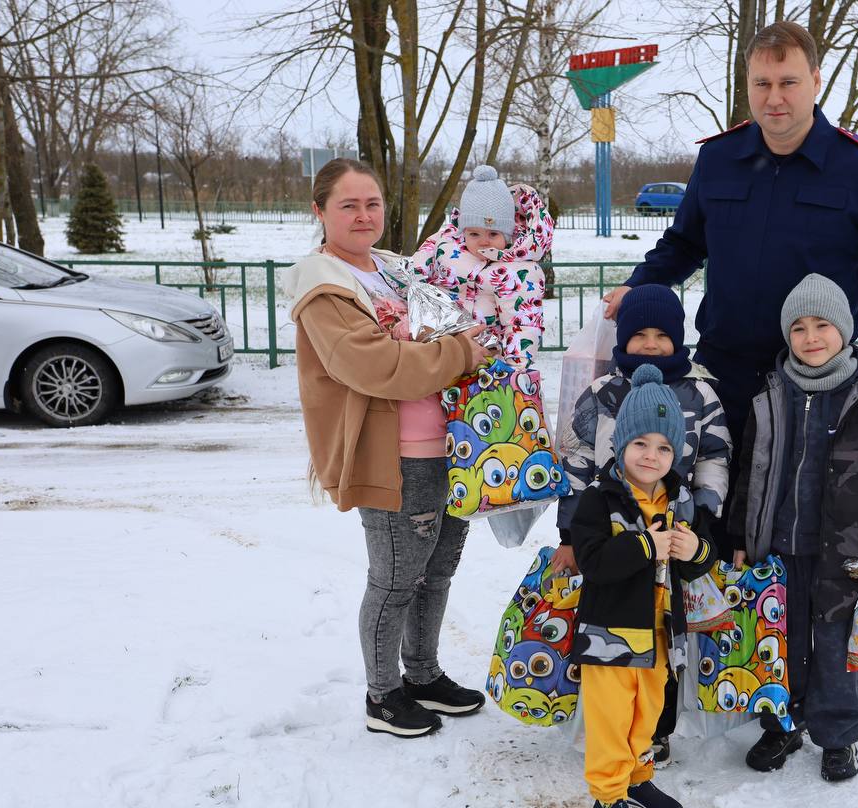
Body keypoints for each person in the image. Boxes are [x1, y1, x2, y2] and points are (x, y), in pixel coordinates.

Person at [602, 21, 858, 526]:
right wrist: (638, 284)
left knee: (802, 537)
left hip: (815, 387)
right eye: (762, 84)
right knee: (709, 527)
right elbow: (684, 243)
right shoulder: (719, 159)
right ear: (748, 86)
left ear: (816, 81)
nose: (774, 98)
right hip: (722, 380)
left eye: (788, 82)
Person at [288, 158, 491, 740]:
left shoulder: (397, 269)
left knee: (438, 571)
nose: (363, 214)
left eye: (372, 203)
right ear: (320, 211)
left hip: (451, 445)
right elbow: (372, 366)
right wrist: (459, 356)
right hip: (391, 453)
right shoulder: (323, 284)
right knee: (397, 575)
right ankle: (383, 695)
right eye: (348, 205)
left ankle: (423, 675)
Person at [727, 273, 858, 781]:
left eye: (822, 325)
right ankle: (783, 722)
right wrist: (741, 539)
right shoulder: (770, 394)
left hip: (843, 554)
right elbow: (749, 471)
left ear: (845, 331)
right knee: (779, 643)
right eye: (799, 327)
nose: (810, 338)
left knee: (836, 647)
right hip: (776, 549)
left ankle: (837, 734)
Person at [551, 284, 731, 766]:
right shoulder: (602, 392)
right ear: (623, 338)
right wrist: (570, 535)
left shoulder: (700, 392)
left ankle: (658, 727)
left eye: (661, 335)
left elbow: (715, 454)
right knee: (609, 624)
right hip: (610, 534)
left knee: (667, 633)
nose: (650, 343)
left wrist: (704, 513)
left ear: (677, 338)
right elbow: (576, 462)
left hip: (676, 531)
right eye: (639, 335)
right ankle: (608, 726)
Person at [569, 364, 721, 808]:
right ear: (622, 446)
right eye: (641, 444)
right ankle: (607, 796)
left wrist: (692, 550)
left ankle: (637, 776)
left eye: (664, 447)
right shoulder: (599, 499)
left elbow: (700, 563)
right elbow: (593, 562)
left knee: (648, 711)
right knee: (611, 716)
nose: (651, 456)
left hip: (660, 632)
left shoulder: (678, 499)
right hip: (610, 634)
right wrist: (644, 547)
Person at [411, 164, 552, 366]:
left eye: (493, 234)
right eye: (474, 234)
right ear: (463, 231)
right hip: (441, 349)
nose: (483, 241)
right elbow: (416, 270)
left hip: (489, 360)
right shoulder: (445, 244)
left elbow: (522, 323)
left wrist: (514, 368)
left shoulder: (518, 270)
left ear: (508, 235)